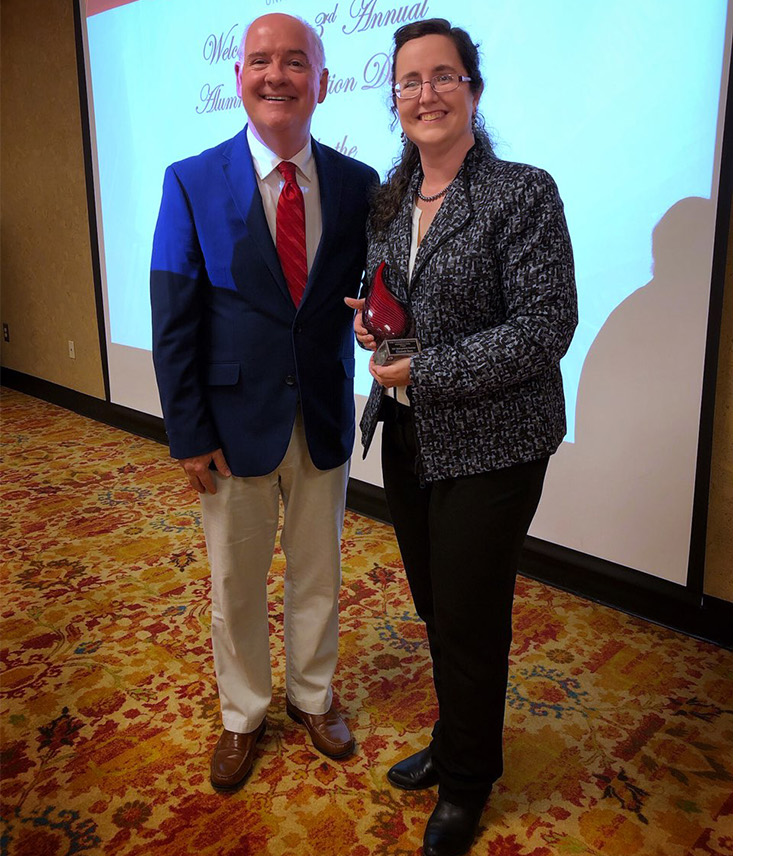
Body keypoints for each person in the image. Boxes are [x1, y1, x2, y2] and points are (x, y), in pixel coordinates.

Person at [343, 18, 577, 856]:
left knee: (472, 618)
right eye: (410, 80)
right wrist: (373, 328)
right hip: (410, 438)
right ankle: (456, 741)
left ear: (473, 89)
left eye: (444, 76)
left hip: (497, 443)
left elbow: (547, 325)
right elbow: (394, 305)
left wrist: (425, 370)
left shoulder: (521, 190)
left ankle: (469, 779)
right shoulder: (387, 198)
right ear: (394, 98)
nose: (426, 93)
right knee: (440, 608)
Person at [150, 13, 378, 791]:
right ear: (238, 80)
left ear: (323, 83)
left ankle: (313, 695)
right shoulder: (190, 179)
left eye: (294, 63)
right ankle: (242, 713)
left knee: (318, 572)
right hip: (228, 427)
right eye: (259, 63)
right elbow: (174, 316)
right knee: (235, 581)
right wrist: (186, 431)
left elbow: (367, 297)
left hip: (320, 417)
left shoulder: (357, 183)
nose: (275, 75)